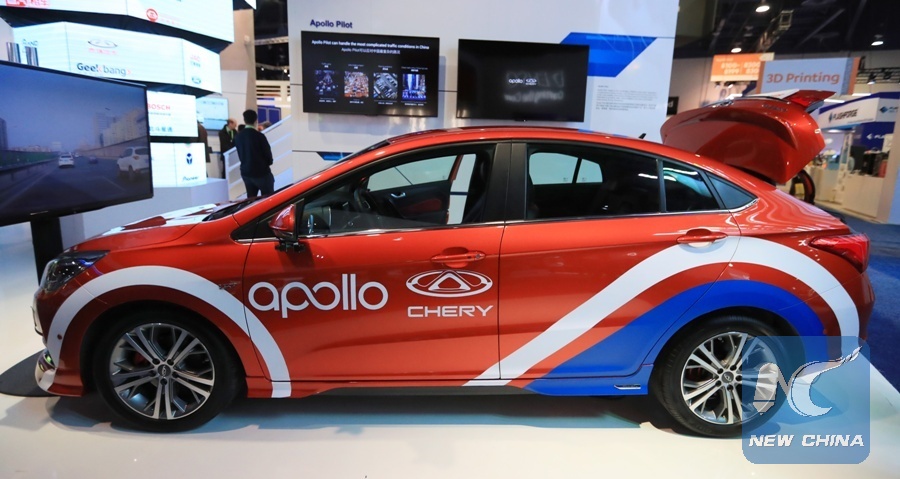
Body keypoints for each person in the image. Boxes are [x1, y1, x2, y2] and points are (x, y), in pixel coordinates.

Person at [234, 109, 274, 197]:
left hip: (246, 172)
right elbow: (268, 154)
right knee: (268, 199)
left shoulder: (238, 137)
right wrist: (268, 162)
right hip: (262, 173)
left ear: (244, 120)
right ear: (256, 120)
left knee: (251, 199)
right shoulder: (259, 136)